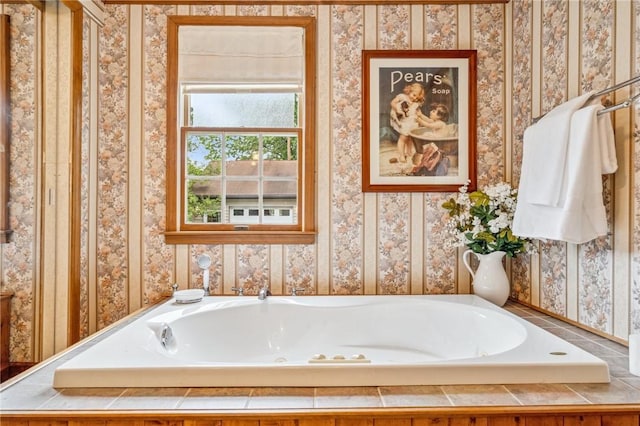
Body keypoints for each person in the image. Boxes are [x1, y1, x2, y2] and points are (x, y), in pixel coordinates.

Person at [389, 83, 425, 163]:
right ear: (409, 90)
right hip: (404, 122)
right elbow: (392, 103)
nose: (414, 98)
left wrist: (419, 119)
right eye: (414, 95)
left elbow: (417, 113)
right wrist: (397, 109)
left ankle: (409, 153)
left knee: (410, 139)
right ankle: (402, 155)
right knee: (403, 139)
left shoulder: (415, 103)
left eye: (417, 97)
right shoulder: (402, 97)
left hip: (412, 123)